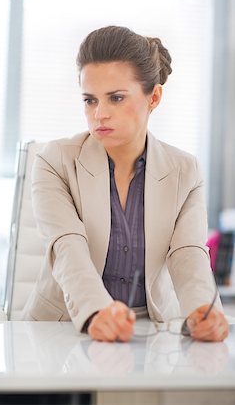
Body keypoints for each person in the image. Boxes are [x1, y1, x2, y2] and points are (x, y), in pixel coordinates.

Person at [22, 25, 229, 343]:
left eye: (116, 98)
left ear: (154, 97)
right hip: (62, 329)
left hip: (151, 334)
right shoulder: (54, 160)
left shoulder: (184, 170)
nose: (100, 114)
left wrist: (202, 310)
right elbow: (67, 246)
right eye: (90, 101)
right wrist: (97, 312)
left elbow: (188, 252)